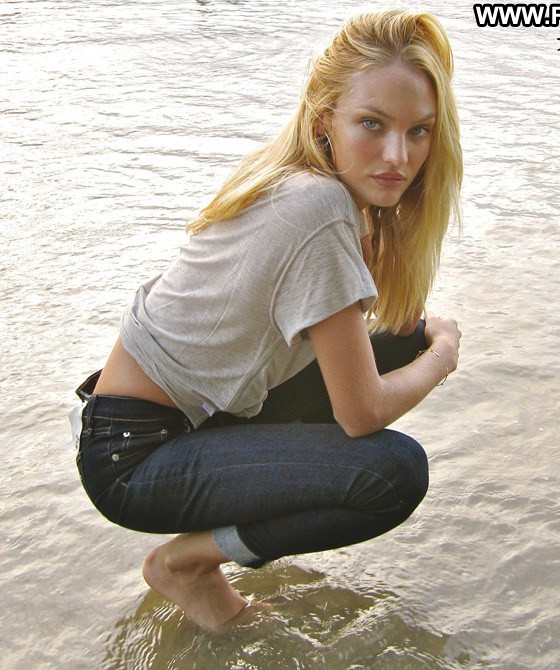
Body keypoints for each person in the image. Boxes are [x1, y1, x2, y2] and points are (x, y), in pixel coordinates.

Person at [70, 9, 462, 633]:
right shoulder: (318, 207)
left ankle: (210, 548)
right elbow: (362, 413)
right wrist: (443, 356)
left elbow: (396, 322)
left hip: (169, 417)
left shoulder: (314, 185)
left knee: (401, 342)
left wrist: (395, 260)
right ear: (324, 118)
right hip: (132, 457)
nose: (398, 155)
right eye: (372, 124)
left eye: (419, 131)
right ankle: (188, 564)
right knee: (393, 473)